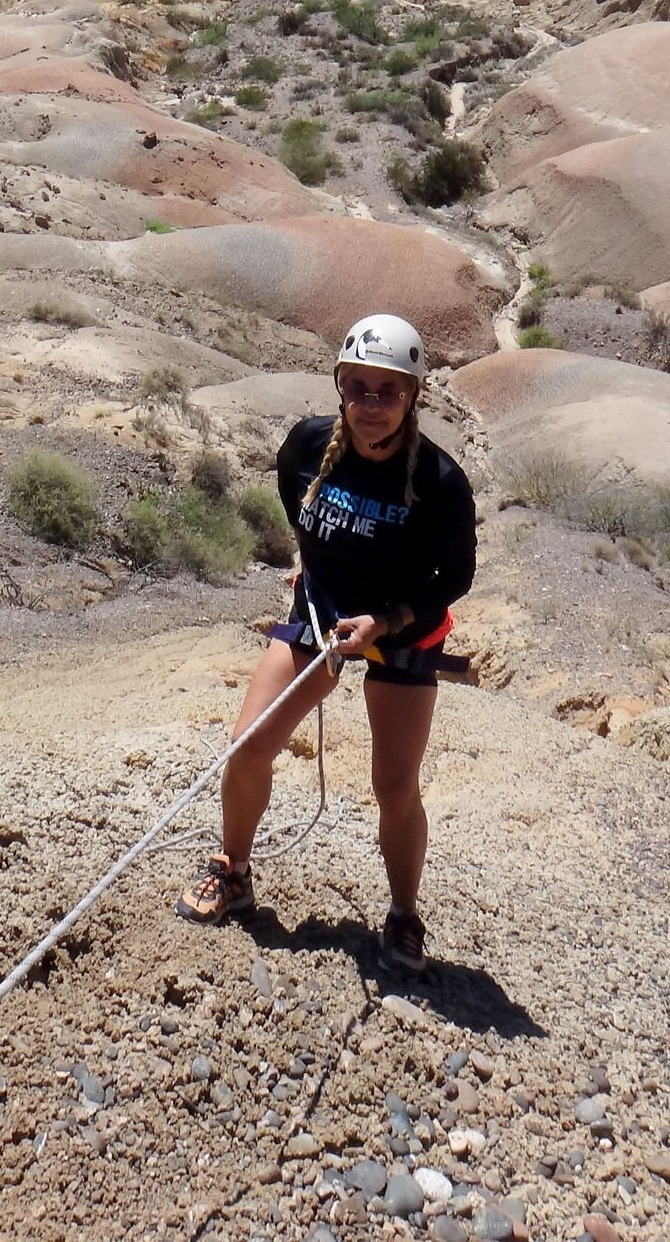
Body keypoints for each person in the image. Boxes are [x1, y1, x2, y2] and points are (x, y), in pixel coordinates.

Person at [176, 314, 477, 974]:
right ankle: (234, 869)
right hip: (323, 611)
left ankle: (403, 914)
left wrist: (387, 619)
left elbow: (456, 576)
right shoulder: (309, 446)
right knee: (250, 744)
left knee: (394, 784)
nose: (371, 405)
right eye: (358, 388)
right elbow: (300, 509)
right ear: (340, 388)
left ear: (413, 396)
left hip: (403, 625)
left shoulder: (441, 482)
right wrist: (317, 569)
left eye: (387, 391)